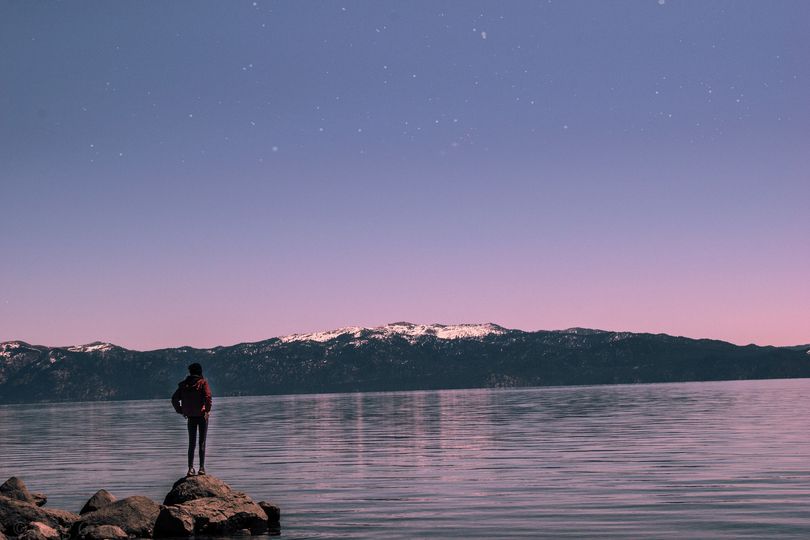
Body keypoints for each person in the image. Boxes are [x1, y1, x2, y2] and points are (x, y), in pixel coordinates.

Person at [171, 362, 212, 477]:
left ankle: (190, 468)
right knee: (202, 442)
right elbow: (208, 397)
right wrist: (207, 410)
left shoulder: (184, 385)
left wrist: (181, 410)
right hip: (202, 416)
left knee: (191, 443)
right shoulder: (203, 383)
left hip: (190, 417)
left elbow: (174, 399)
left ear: (190, 372)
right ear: (200, 371)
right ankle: (201, 468)